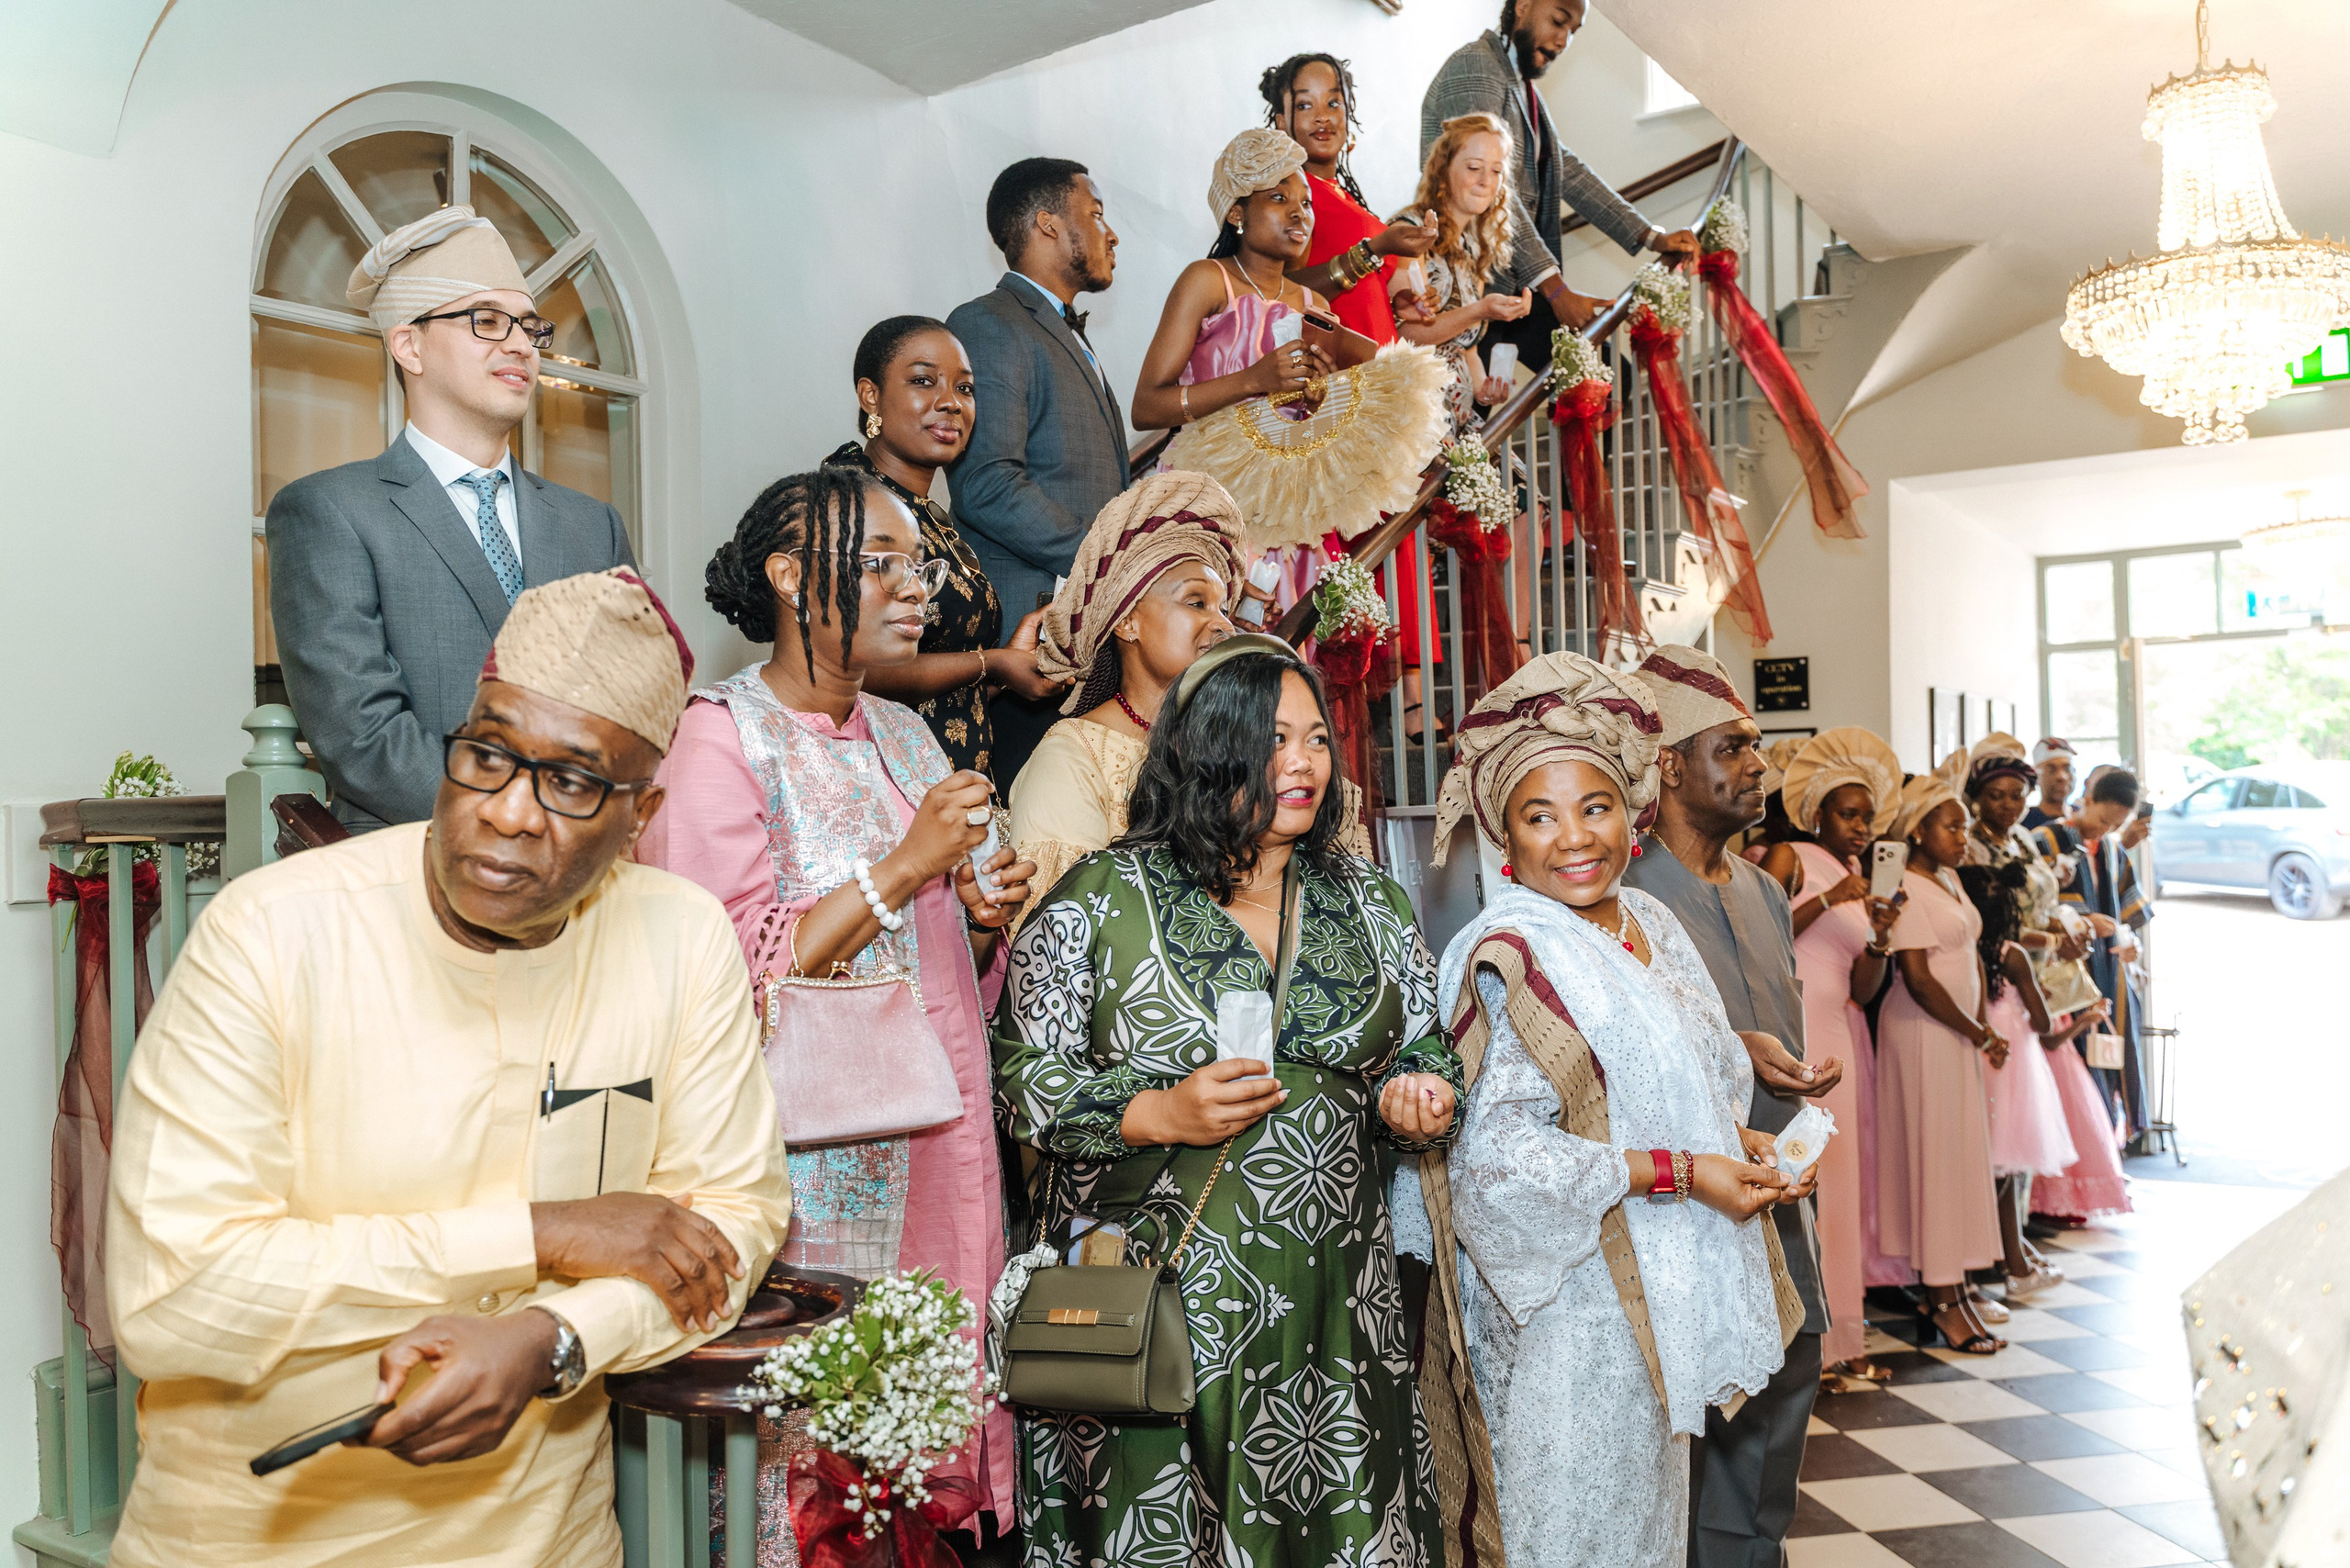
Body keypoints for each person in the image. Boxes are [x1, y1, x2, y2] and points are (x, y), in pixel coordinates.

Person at [105, 570, 789, 1566]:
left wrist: (554, 1338)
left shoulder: (679, 937)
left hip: (547, 1543)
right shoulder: (271, 933)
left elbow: (731, 1220)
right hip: (248, 1538)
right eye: (488, 755)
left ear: (641, 815)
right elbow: (175, 1295)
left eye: (571, 782)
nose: (510, 813)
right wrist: (535, 1236)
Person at [994, 634, 1460, 1568]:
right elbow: (1019, 1073)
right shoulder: (1103, 896)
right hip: (1157, 1312)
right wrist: (1152, 1112)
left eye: (1316, 739)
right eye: (1272, 739)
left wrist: (1419, 1091)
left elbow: (1422, 1037)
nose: (1304, 763)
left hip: (1335, 1311)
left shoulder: (1367, 898)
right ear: (1204, 750)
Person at [640, 469, 1035, 1555]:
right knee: (822, 1471)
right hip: (818, 1166)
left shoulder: (906, 734)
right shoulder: (719, 739)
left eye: (917, 565)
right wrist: (908, 866)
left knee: (929, 1435)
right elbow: (727, 972)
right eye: (881, 565)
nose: (913, 589)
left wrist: (985, 909)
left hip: (944, 1130)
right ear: (786, 573)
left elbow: (938, 949)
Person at [1415, 652, 1799, 1567]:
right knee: (1568, 1535)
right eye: (1538, 816)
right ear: (1504, 840)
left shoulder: (1646, 925)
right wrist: (1681, 1173)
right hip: (1566, 1318)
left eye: (1592, 807)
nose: (1573, 837)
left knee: (1646, 1536)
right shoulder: (1509, 952)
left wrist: (1743, 1148)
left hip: (1656, 1299)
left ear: (1632, 814)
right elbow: (1499, 1163)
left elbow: (1680, 1088)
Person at [269, 207, 637, 830]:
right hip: (415, 875)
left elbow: (628, 703)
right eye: (487, 321)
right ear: (409, 345)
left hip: (585, 878)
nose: (520, 344)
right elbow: (364, 740)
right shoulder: (331, 512)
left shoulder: (590, 524)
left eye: (528, 326)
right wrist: (524, 819)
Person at [1619, 645, 1837, 1568]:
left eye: (1758, 747)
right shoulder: (1624, 899)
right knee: (1699, 1435)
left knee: (1783, 1407)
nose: (1759, 766)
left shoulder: (1762, 889)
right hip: (1685, 1207)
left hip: (1780, 1195)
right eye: (1733, 747)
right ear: (1669, 765)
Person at [822, 315, 1068, 782]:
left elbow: (945, 690)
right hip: (887, 782)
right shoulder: (852, 501)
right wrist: (991, 661)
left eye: (966, 389)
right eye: (923, 381)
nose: (951, 403)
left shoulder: (929, 514)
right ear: (870, 395)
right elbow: (854, 667)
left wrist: (1006, 667)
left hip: (957, 778)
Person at [948, 158, 1130, 785]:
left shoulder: (1065, 331)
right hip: (1030, 637)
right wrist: (1112, 557)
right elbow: (988, 483)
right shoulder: (988, 323)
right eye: (1097, 214)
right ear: (1048, 224)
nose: (1111, 234)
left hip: (1081, 636)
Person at [1420, 0, 1698, 375]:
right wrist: (1555, 288)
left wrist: (1650, 236)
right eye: (1558, 20)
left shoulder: (1522, 88)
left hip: (1513, 285)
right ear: (1522, 6)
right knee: (1475, 416)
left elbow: (1566, 169)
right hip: (1468, 285)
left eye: (1573, 31)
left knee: (1605, 379)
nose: (1564, 39)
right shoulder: (1476, 67)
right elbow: (1492, 190)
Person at [1761, 727, 1903, 1386]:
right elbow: (1761, 943)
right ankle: (1800, 1349)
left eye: (1867, 816)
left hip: (1840, 1036)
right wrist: (1828, 901)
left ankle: (1842, 1339)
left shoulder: (1856, 878)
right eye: (1849, 814)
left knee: (1840, 1189)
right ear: (1817, 813)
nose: (1860, 827)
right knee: (1804, 1184)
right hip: (1797, 1035)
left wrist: (1879, 937)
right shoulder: (1789, 858)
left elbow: (1864, 991)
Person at [1875, 772, 2009, 1355]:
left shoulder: (1951, 879)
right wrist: (1979, 1033)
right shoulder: (1903, 883)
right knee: (1934, 1158)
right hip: (1925, 1033)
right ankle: (1942, 1293)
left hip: (1957, 1036)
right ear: (1919, 830)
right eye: (1951, 826)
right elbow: (1920, 980)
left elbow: (1969, 958)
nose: (1962, 836)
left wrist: (1981, 1029)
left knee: (1957, 1158)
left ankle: (1955, 1280)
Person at [1962, 740, 2092, 1298]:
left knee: (2021, 1130)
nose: (2009, 804)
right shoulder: (1970, 850)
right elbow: (1994, 927)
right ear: (1976, 798)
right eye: (1997, 795)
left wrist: (2065, 928)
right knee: (2002, 1129)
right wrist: (2046, 941)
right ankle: (1997, 1249)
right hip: (2000, 980)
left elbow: (2039, 901)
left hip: (2031, 977)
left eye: (2017, 795)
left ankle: (2011, 1238)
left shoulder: (2020, 840)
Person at [1955, 859, 2079, 1290]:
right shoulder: (2014, 956)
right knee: (2005, 1172)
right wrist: (2036, 998)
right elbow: (2044, 1024)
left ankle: (2001, 1256)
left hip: (1977, 1057)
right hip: (2012, 1067)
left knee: (1981, 1165)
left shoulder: (1966, 954)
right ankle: (2013, 1261)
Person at [1259, 51, 1439, 346]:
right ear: (1282, 122)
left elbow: (1357, 296)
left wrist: (1399, 305)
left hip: (1378, 373)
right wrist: (1372, 251)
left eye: (1334, 103)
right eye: (1305, 105)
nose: (1323, 116)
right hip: (1332, 379)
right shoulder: (1282, 194)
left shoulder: (1345, 197)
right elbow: (1275, 292)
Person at [1396, 111, 1533, 433]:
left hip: (1461, 418)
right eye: (1473, 167)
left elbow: (1466, 346)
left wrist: (1483, 387)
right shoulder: (1411, 232)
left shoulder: (1474, 246)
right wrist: (1481, 309)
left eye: (1496, 171)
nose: (1486, 180)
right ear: (1443, 170)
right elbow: (1404, 335)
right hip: (1419, 419)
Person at [2032, 767, 2152, 1136]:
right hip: (2063, 977)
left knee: (2110, 1062)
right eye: (2101, 819)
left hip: (2108, 973)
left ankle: (2109, 1148)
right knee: (2073, 1071)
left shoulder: (2114, 849)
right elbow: (2031, 909)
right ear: (2087, 800)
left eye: (2115, 825)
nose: (2105, 830)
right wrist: (2085, 923)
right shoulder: (2045, 839)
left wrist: (2131, 942)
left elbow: (2131, 914)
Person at [2024, 735, 2076, 829]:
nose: (2061, 777)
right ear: (2037, 776)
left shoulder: (2082, 816)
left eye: (2067, 769)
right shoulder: (2026, 819)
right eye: (2051, 770)